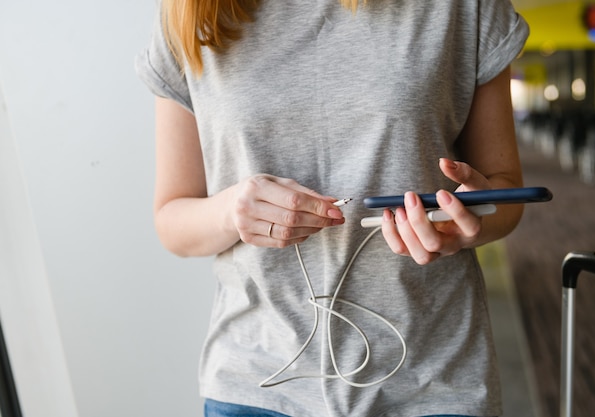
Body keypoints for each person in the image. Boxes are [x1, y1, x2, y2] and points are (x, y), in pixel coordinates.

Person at [136, 0, 529, 416]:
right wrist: (232, 210)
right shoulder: (191, 13)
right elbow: (172, 219)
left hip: (431, 383)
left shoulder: (462, 8)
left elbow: (504, 192)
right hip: (257, 386)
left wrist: (464, 226)